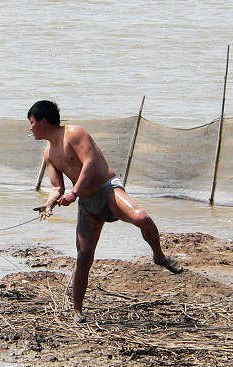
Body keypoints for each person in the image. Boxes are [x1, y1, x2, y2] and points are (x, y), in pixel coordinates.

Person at [27, 99, 182, 323]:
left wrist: (75, 193)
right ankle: (77, 311)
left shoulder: (74, 133)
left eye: (31, 122)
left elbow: (89, 163)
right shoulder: (49, 154)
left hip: (107, 191)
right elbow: (57, 187)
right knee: (84, 256)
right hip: (88, 204)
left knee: (143, 219)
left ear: (43, 121)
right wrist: (49, 204)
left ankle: (159, 256)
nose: (30, 128)